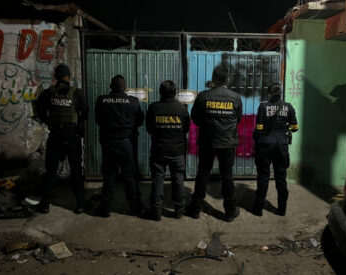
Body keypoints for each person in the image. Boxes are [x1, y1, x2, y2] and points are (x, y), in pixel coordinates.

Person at [186, 65, 243, 222]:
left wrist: (208, 125)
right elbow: (238, 119)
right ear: (227, 79)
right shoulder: (235, 97)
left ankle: (195, 208)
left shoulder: (203, 96)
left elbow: (195, 118)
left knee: (203, 173)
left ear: (213, 78)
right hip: (228, 143)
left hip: (208, 142)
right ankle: (230, 211)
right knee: (227, 175)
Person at [37, 64, 88, 214]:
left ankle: (45, 204)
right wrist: (77, 130)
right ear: (68, 77)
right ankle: (80, 204)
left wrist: (51, 124)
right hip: (72, 136)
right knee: (76, 171)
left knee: (51, 171)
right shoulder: (77, 93)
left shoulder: (48, 93)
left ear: (56, 77)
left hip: (55, 135)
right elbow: (85, 113)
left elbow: (40, 112)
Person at [95, 75, 144, 218]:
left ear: (111, 86)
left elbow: (98, 120)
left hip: (108, 143)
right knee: (129, 176)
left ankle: (105, 209)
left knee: (109, 176)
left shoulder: (102, 100)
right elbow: (139, 121)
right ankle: (135, 208)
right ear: (125, 87)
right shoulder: (133, 102)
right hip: (126, 143)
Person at [145, 80, 190, 221]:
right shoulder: (182, 109)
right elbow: (186, 129)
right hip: (177, 151)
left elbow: (149, 129)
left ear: (160, 92)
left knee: (158, 180)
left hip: (159, 151)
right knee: (178, 180)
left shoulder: (154, 108)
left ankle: (156, 212)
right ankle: (178, 212)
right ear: (175, 93)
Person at [252, 83, 298, 217]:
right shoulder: (288, 107)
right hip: (281, 145)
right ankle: (282, 209)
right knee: (281, 177)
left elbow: (259, 128)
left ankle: (258, 209)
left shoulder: (263, 106)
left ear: (269, 93)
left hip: (266, 145)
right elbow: (295, 128)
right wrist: (286, 129)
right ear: (281, 93)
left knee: (263, 176)